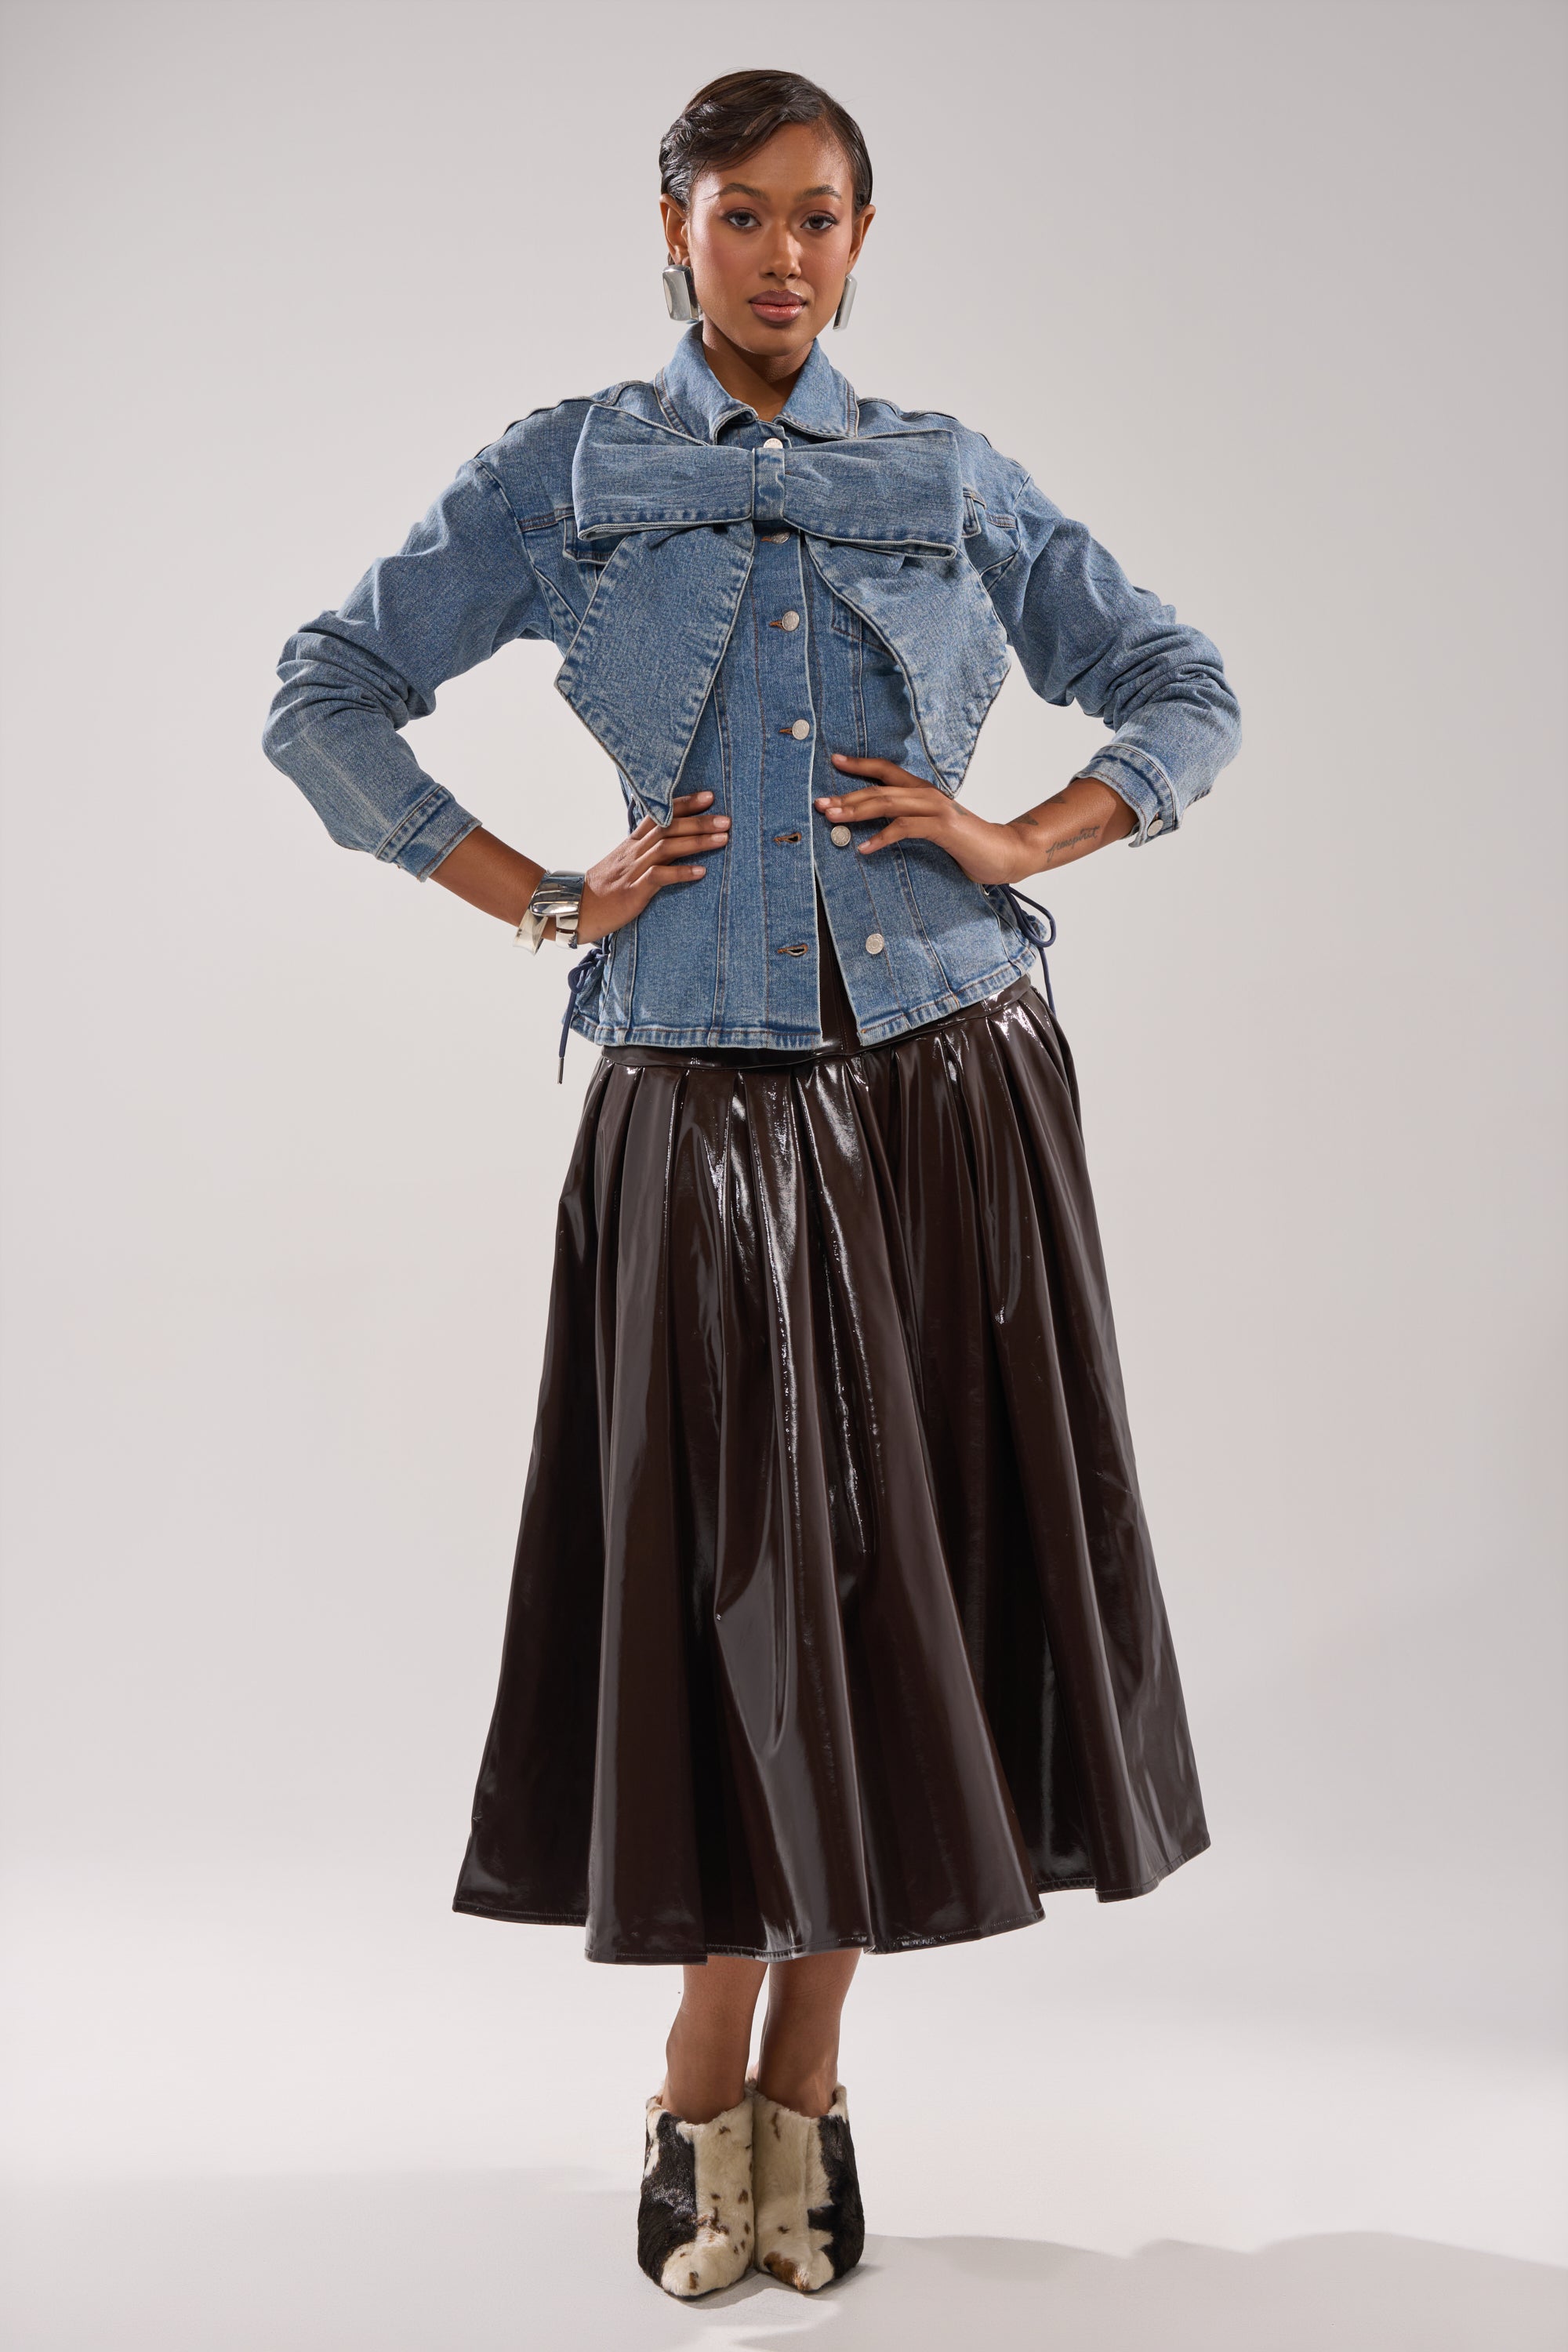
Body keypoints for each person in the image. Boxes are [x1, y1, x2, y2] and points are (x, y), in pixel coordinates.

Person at [262, 67, 1240, 2302]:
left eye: (819, 217)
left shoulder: (948, 473)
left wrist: (1016, 840)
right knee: (739, 1596)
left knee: (909, 1594)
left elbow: (1183, 689)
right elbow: (323, 692)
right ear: (672, 236)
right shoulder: (574, 471)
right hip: (698, 1103)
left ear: (864, 236)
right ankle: (703, 2074)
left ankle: (808, 2083)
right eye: (739, 217)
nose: (781, 255)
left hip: (953, 1090)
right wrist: (537, 893)